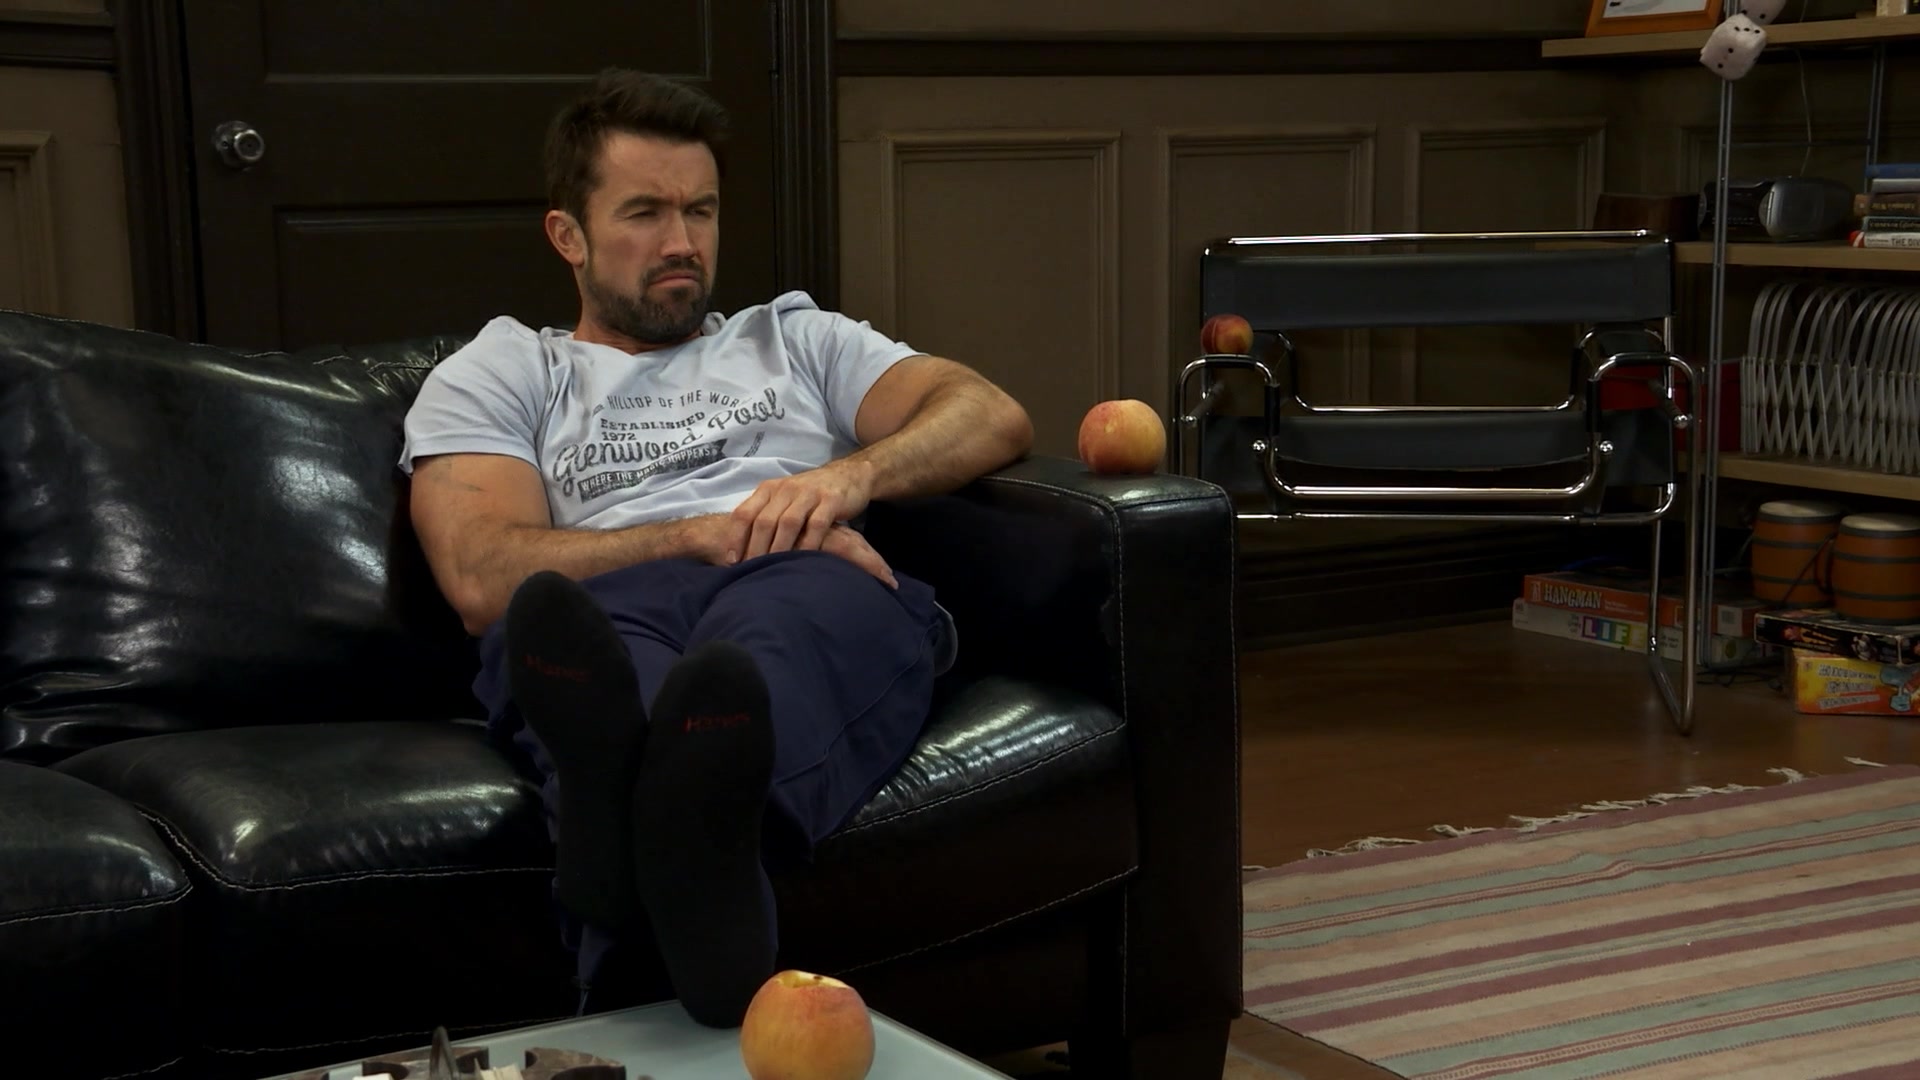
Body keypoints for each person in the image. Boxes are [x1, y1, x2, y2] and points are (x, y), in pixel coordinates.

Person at [397, 68, 1033, 1028]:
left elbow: (988, 412)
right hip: (613, 595)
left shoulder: (796, 340)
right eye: (644, 213)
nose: (682, 243)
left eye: (700, 210)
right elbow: (482, 575)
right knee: (581, 655)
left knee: (741, 676)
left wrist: (847, 479)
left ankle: (616, 854)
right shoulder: (503, 369)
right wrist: (699, 534)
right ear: (568, 235)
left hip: (800, 573)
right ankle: (701, 904)